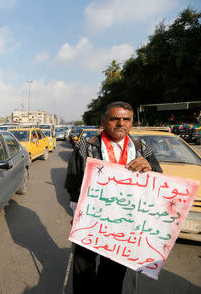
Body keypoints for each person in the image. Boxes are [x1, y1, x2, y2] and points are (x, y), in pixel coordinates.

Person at [64, 101, 162, 294]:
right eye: (115, 118)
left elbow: (159, 180)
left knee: (114, 273)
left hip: (124, 225)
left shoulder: (141, 148)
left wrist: (150, 169)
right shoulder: (87, 146)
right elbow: (73, 182)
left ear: (132, 122)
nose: (121, 123)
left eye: (126, 119)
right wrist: (77, 214)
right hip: (91, 222)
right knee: (83, 269)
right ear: (103, 121)